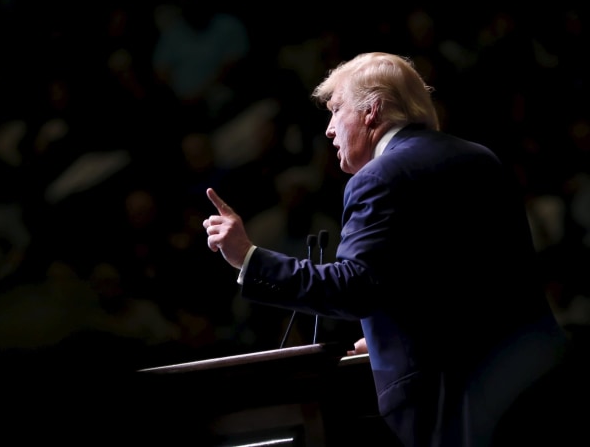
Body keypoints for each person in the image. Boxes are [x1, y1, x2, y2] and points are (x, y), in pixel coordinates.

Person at [202, 52, 570, 447]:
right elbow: (459, 278)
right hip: (536, 379)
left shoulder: (379, 177)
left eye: (336, 109)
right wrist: (388, 333)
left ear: (372, 110)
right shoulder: (481, 158)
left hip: (453, 401)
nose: (328, 130)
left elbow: (354, 287)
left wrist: (247, 256)